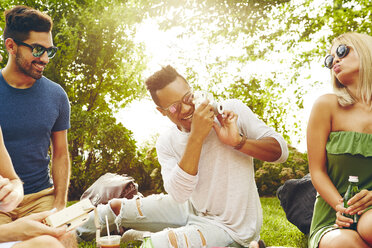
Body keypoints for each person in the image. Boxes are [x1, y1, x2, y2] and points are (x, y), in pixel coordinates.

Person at [76, 65, 288, 247]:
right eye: (175, 107)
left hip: (230, 228)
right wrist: (196, 137)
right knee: (116, 206)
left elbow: (280, 152)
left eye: (188, 97)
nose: (187, 108)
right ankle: (67, 232)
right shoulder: (167, 142)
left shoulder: (229, 112)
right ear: (162, 112)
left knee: (154, 245)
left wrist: (238, 142)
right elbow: (178, 194)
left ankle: (146, 237)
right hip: (188, 207)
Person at [0, 5, 71, 224]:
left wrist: (59, 204)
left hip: (41, 197)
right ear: (11, 46)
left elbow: (60, 154)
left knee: (61, 239)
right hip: (1, 201)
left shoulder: (57, 95)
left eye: (49, 51)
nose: (45, 59)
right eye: (38, 50)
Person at [307, 32, 372, 248]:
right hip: (334, 217)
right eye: (329, 59)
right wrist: (341, 206)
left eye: (342, 51)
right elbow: (317, 171)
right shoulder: (326, 106)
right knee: (343, 244)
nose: (334, 60)